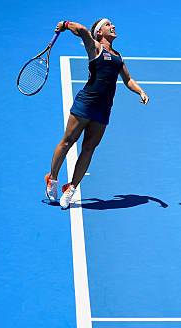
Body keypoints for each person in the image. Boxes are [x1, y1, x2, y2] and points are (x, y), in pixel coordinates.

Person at [45, 18, 149, 209]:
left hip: (103, 108)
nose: (113, 26)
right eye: (108, 25)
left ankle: (71, 188)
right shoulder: (94, 48)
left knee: (89, 148)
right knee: (68, 141)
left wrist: (140, 91)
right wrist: (66, 24)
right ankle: (52, 179)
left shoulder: (118, 56)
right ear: (99, 33)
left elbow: (128, 79)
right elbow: (83, 30)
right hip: (86, 103)